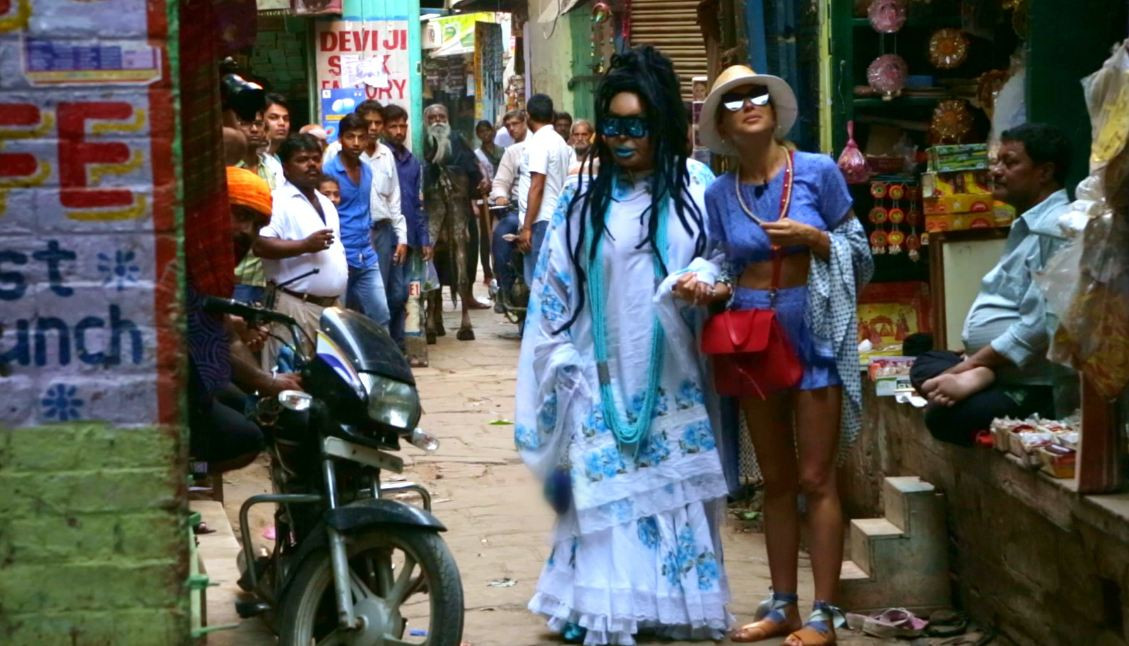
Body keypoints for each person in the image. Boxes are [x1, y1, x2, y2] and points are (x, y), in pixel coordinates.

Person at [515, 46, 729, 646]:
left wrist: (708, 280)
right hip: (598, 377)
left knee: (669, 495)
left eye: (636, 126)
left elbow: (722, 258)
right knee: (605, 502)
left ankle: (669, 605)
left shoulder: (697, 189)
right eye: (612, 126)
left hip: (676, 379)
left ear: (661, 125)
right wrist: (560, 360)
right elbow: (553, 295)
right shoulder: (581, 206)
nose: (622, 139)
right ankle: (606, 607)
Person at [687, 65, 873, 645]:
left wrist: (816, 240)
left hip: (812, 326)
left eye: (758, 95)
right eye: (736, 100)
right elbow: (720, 258)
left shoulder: (817, 172)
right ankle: (782, 605)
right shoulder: (720, 193)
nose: (750, 105)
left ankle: (825, 613)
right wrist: (707, 283)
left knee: (817, 476)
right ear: (721, 123)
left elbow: (860, 250)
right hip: (751, 334)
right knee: (775, 480)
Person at [911, 123, 1072, 445]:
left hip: (1031, 382)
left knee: (945, 418)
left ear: (1044, 172)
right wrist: (971, 362)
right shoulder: (1027, 224)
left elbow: (1039, 327)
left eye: (1010, 163)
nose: (996, 171)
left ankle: (983, 376)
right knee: (919, 355)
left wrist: (973, 363)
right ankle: (982, 376)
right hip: (997, 368)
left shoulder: (1056, 228)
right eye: (996, 161)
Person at [187, 167, 301, 474]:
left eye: (257, 224)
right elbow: (209, 335)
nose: (247, 231)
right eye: (239, 215)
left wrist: (269, 383)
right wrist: (268, 383)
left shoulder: (215, 268)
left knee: (241, 404)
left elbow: (226, 335)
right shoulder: (190, 259)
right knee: (246, 439)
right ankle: (173, 476)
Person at [254, 134, 348, 367]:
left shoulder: (325, 201)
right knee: (288, 378)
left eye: (316, 159)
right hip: (295, 306)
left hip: (330, 308)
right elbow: (260, 245)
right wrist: (304, 245)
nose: (311, 165)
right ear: (285, 167)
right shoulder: (277, 201)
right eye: (303, 160)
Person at [422, 103, 486, 341]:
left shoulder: (458, 141)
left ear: (447, 119)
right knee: (429, 258)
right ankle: (432, 316)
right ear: (426, 121)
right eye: (433, 117)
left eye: (441, 116)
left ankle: (464, 319)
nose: (437, 120)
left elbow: (473, 174)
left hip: (457, 205)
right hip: (431, 206)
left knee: (461, 254)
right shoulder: (422, 144)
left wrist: (478, 185)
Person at [321, 112, 390, 327]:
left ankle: (382, 360)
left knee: (381, 315)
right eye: (351, 137)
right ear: (340, 139)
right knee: (338, 321)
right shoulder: (328, 172)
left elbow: (365, 210)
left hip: (366, 255)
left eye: (361, 137)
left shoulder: (367, 170)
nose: (356, 143)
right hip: (339, 255)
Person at [358, 102, 408, 354]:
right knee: (370, 297)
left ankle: (392, 349)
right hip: (359, 233)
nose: (374, 128)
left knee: (395, 294)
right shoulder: (343, 153)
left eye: (378, 123)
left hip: (385, 230)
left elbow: (394, 198)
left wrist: (402, 237)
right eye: (369, 123)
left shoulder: (386, 154)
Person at [383, 103, 431, 358]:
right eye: (394, 126)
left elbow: (417, 203)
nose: (399, 131)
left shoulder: (412, 162)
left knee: (403, 293)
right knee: (386, 295)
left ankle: (399, 346)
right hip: (383, 236)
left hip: (407, 236)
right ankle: (390, 346)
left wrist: (424, 237)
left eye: (403, 126)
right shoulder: (379, 158)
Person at [518, 94, 574, 287]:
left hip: (541, 220)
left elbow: (537, 186)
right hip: (558, 217)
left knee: (538, 283)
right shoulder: (560, 142)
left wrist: (526, 227)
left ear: (528, 116)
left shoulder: (539, 143)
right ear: (552, 116)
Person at [232, 107, 282, 305]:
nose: (253, 129)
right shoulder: (227, 169)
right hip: (238, 274)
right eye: (245, 123)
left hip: (266, 275)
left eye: (258, 124)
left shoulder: (272, 169)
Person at [489, 110, 531, 312]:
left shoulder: (548, 146)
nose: (512, 129)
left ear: (526, 122)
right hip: (516, 210)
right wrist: (500, 195)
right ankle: (505, 289)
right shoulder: (512, 152)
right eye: (509, 126)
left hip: (542, 210)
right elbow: (500, 182)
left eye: (516, 124)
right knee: (500, 236)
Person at [264, 93, 291, 158]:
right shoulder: (252, 159)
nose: (282, 123)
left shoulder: (276, 159)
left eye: (286, 119)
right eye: (273, 117)